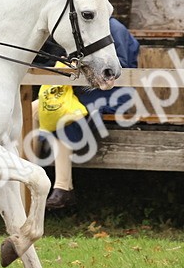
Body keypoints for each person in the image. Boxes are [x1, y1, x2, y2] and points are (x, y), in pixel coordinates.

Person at [28, 18, 140, 210]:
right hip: (76, 90)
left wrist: (84, 66)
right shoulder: (83, 30)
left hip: (110, 94)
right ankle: (24, 180)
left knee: (63, 116)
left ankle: (63, 188)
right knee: (29, 112)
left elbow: (121, 65)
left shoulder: (114, 28)